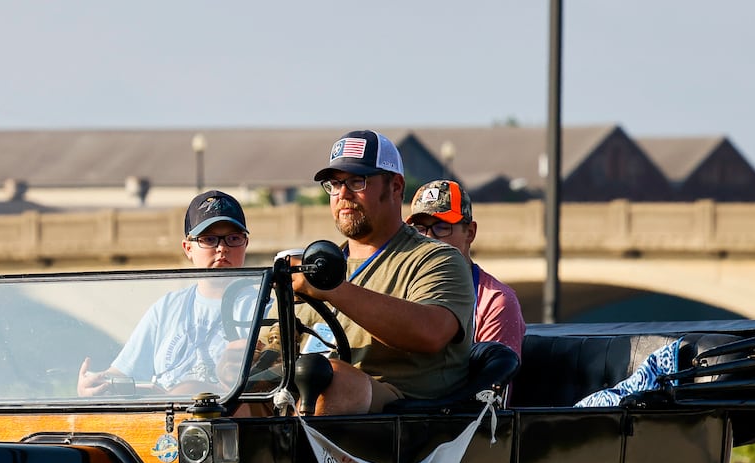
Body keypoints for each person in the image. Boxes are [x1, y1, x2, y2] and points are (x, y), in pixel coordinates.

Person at [292, 130, 475, 415]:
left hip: (405, 421)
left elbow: (430, 332)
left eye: (356, 181)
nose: (343, 194)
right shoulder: (321, 264)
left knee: (332, 379)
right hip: (308, 396)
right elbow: (272, 346)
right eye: (334, 184)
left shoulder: (437, 260)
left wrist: (333, 289)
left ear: (395, 187)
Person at [78, 190, 251, 397]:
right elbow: (122, 373)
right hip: (163, 423)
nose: (222, 248)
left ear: (246, 244)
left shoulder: (265, 307)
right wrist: (93, 385)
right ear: (188, 248)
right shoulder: (167, 307)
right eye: (208, 239)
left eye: (233, 238)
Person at [407, 180, 526, 360]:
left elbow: (493, 384)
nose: (429, 238)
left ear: (470, 232)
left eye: (442, 227)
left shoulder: (494, 301)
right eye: (420, 229)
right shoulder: (400, 290)